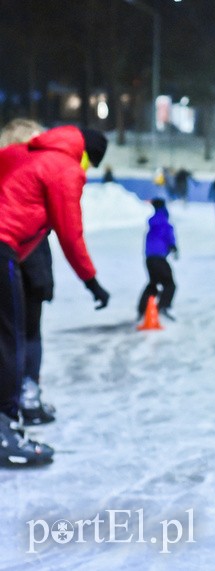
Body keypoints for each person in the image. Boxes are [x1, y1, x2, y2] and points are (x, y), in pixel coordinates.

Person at [0, 125, 111, 465]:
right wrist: (92, 282)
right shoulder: (64, 169)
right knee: (10, 338)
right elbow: (70, 232)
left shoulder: (24, 153)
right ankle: (4, 430)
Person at [0, 119, 55, 426]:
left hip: (25, 268)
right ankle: (25, 398)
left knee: (15, 338)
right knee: (24, 336)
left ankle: (20, 398)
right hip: (24, 269)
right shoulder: (31, 180)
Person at [136, 198, 178, 321]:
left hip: (149, 259)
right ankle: (163, 307)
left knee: (153, 283)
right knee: (170, 284)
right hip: (159, 258)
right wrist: (173, 246)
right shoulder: (164, 222)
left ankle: (142, 309)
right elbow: (169, 235)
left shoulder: (152, 223)